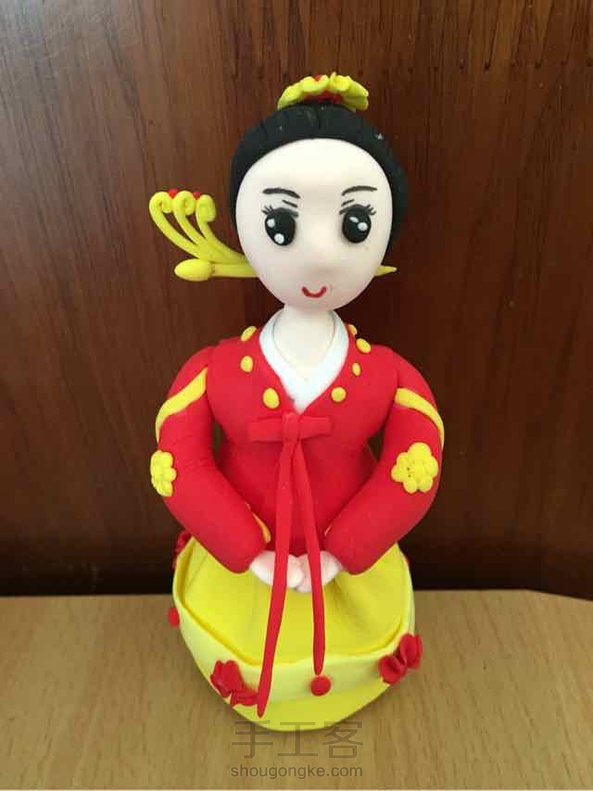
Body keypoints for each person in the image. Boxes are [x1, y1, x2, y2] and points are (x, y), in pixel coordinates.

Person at [148, 73, 444, 731]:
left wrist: (344, 549)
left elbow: (414, 468)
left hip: (347, 567)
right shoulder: (211, 371)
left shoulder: (391, 377)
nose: (319, 256)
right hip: (244, 569)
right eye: (281, 223)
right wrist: (245, 549)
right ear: (243, 229)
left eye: (354, 224)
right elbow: (178, 463)